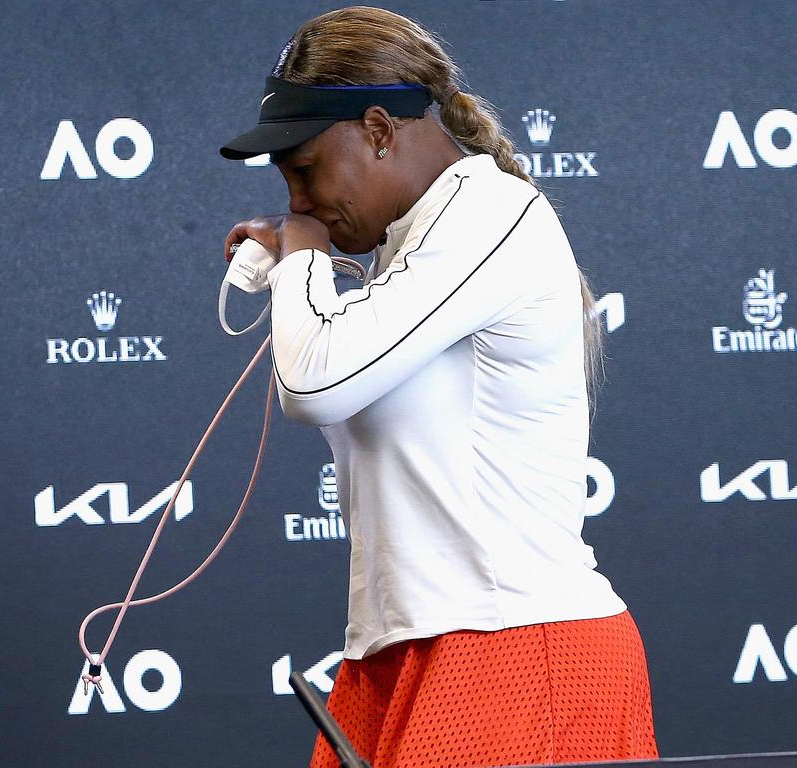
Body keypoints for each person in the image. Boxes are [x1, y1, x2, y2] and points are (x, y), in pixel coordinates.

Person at [219, 7, 658, 767]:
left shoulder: (488, 215)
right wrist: (310, 253)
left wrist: (301, 253)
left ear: (380, 129)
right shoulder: (411, 242)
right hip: (402, 652)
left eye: (305, 170)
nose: (296, 201)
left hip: (518, 650)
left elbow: (315, 383)